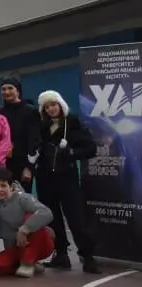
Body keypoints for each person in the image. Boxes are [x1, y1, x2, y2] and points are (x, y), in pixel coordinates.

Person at [36, 90, 101, 274]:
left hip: (67, 178)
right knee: (53, 218)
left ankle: (87, 256)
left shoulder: (72, 123)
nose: (51, 109)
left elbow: (90, 148)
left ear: (60, 105)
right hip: (45, 178)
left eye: (53, 104)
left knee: (77, 219)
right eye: (47, 107)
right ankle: (61, 254)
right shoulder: (41, 127)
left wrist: (71, 153)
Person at [0, 168, 54, 278]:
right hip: (14, 246)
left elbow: (46, 213)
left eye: (3, 186)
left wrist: (24, 229)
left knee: (31, 216)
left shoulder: (23, 198)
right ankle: (32, 265)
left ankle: (28, 263)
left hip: (37, 242)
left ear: (11, 187)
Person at [0, 78, 41, 193]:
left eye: (10, 88)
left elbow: (35, 140)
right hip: (4, 165)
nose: (7, 92)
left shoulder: (30, 111)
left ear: (18, 91)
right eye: (3, 89)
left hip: (23, 165)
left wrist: (29, 167)